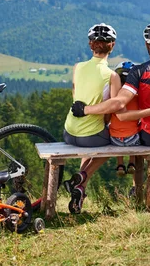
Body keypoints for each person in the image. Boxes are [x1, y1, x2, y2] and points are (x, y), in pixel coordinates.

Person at [72, 22, 150, 203]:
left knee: (131, 138)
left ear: (147, 45)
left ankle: (135, 192)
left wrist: (86, 109)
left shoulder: (139, 71)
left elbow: (120, 103)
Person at [62, 23, 120, 214]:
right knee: (114, 145)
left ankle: (80, 188)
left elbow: (74, 95)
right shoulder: (112, 76)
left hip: (69, 132)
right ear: (112, 46)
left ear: (90, 45)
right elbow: (113, 107)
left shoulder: (77, 67)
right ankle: (83, 176)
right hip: (91, 136)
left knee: (90, 145)